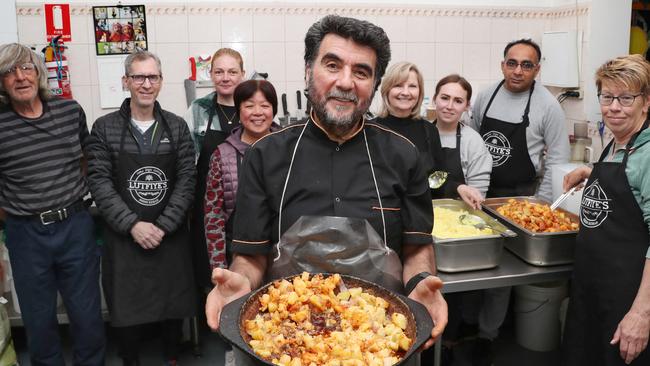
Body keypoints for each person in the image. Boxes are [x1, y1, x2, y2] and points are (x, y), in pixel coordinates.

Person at [205, 14, 448, 364]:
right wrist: (241, 281)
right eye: (332, 65)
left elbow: (415, 249)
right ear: (308, 71)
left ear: (375, 83)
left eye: (361, 72)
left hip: (376, 342)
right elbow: (252, 255)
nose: (345, 82)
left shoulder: (403, 155)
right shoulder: (266, 155)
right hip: (288, 339)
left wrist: (423, 280)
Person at [87, 51, 196, 366]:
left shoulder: (176, 128)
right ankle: (130, 357)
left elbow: (187, 180)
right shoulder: (104, 128)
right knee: (126, 302)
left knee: (172, 299)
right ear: (126, 81)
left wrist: (163, 225)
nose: (146, 84)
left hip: (169, 235)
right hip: (124, 237)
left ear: (161, 82)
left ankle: (172, 354)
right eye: (138, 77)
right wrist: (133, 224)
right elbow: (99, 182)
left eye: (152, 77)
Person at [0, 43, 105, 365]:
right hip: (25, 233)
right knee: (39, 320)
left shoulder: (70, 111)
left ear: (39, 73)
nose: (20, 77)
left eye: (26, 68)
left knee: (87, 317)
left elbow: (87, 158)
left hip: (75, 225)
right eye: (8, 72)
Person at [468, 38, 570, 364]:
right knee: (475, 268)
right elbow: (469, 141)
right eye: (512, 63)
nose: (517, 70)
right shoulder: (486, 95)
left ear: (537, 70)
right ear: (503, 65)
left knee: (502, 275)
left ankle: (488, 336)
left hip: (521, 200)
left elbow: (557, 160)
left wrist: (540, 208)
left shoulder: (548, 106)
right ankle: (466, 327)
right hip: (480, 194)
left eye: (527, 65)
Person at [561, 54, 650, 366]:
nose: (614, 107)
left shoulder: (648, 153)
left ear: (646, 102)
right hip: (591, 287)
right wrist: (590, 172)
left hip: (626, 298)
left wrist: (641, 314)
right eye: (607, 96)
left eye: (626, 98)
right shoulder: (615, 143)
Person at [183, 47, 246, 289]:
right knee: (210, 277)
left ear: (242, 74)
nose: (225, 77)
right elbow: (187, 163)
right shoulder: (199, 110)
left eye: (232, 71)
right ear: (210, 74)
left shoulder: (252, 107)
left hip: (246, 209)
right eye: (219, 71)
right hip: (207, 212)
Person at [204, 79, 279, 271]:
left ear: (274, 110)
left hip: (283, 255)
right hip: (239, 257)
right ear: (239, 111)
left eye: (265, 105)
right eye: (249, 106)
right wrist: (219, 267)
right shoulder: (221, 155)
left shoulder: (290, 149)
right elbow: (214, 217)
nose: (257, 112)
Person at [374, 61, 442, 195]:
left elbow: (439, 176)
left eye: (412, 86)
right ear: (387, 90)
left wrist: (458, 187)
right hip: (381, 211)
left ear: (419, 92)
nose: (405, 92)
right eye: (398, 85)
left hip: (420, 210)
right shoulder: (370, 130)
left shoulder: (429, 130)